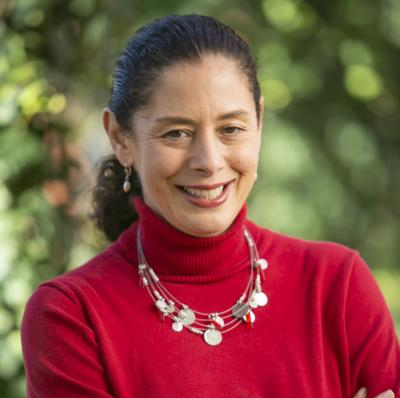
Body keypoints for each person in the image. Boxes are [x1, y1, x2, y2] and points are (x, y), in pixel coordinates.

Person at [20, 14, 399, 398]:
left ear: (260, 122)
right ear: (121, 139)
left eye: (231, 129)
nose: (210, 161)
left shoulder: (337, 287)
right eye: (177, 133)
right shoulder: (71, 316)